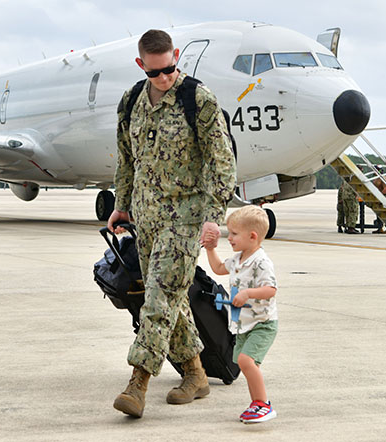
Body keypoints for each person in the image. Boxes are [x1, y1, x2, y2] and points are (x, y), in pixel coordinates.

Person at [107, 29, 236, 418]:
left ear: (176, 57)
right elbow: (127, 160)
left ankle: (138, 381)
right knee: (170, 300)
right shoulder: (131, 102)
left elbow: (222, 163)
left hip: (187, 219)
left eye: (170, 69)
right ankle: (195, 375)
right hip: (146, 218)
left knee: (158, 298)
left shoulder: (198, 100)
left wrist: (214, 220)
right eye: (156, 72)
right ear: (141, 64)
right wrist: (121, 205)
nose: (164, 78)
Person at [204, 205, 277, 423]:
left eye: (234, 234)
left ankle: (263, 404)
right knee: (246, 364)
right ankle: (257, 403)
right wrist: (210, 249)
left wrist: (247, 294)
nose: (230, 238)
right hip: (244, 324)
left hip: (262, 324)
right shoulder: (237, 259)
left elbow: (271, 290)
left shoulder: (261, 262)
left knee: (246, 362)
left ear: (252, 236)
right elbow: (218, 268)